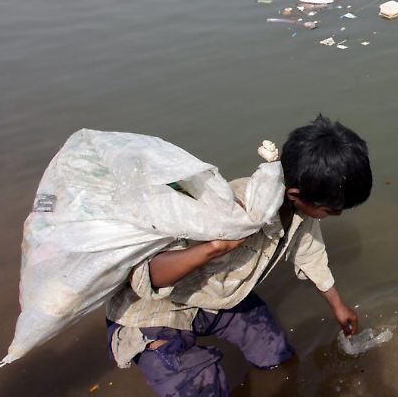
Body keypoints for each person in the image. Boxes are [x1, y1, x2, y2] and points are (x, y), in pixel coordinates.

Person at [103, 115, 372, 396]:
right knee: (202, 382)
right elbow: (147, 275)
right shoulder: (228, 207)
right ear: (295, 193)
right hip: (154, 309)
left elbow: (309, 253)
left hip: (222, 294)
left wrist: (338, 306)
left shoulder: (300, 211)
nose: (337, 216)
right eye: (332, 210)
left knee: (277, 358)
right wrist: (213, 248)